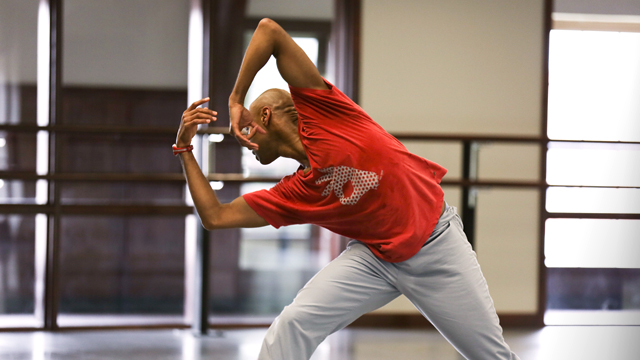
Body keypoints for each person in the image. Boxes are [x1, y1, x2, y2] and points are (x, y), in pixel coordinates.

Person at [175, 18, 520, 360]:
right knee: (293, 324)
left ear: (265, 117)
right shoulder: (296, 191)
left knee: (492, 357)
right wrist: (185, 151)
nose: (245, 141)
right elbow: (215, 216)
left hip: (435, 245)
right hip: (375, 259)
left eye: (249, 129)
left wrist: (236, 99)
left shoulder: (325, 112)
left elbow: (269, 31)